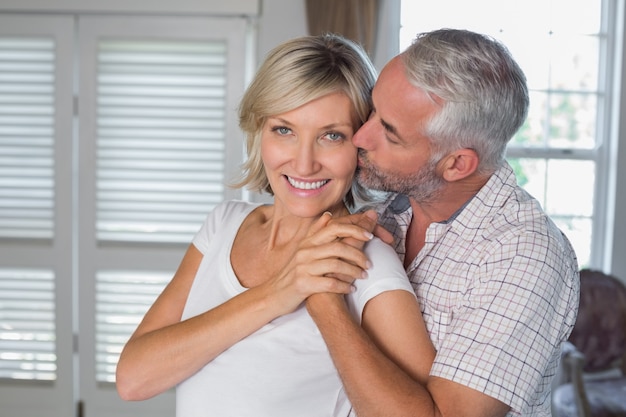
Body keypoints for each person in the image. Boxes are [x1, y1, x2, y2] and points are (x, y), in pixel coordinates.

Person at [115, 33, 435, 417]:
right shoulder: (223, 225)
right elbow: (133, 379)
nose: (304, 164)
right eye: (284, 130)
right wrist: (280, 292)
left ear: (360, 146)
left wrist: (321, 300)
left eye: (332, 136)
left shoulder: (365, 262)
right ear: (259, 131)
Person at [305, 28, 581, 417]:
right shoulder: (386, 213)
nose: (360, 136)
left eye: (389, 132)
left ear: (457, 164)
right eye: (374, 111)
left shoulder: (525, 257)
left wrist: (324, 300)